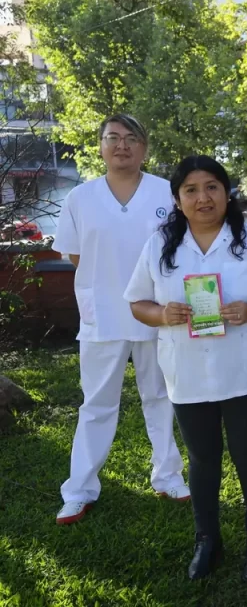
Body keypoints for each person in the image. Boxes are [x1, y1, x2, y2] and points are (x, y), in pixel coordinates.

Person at [124, 156, 247, 581]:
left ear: (227, 192)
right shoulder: (160, 245)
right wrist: (163, 314)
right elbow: (138, 302)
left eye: (212, 187)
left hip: (245, 368)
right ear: (178, 200)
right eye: (191, 190)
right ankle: (208, 541)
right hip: (186, 368)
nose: (203, 198)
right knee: (202, 457)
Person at [52, 114, 189, 525]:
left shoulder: (167, 192)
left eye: (131, 139)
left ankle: (167, 475)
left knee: (161, 397)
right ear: (100, 146)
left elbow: (180, 251)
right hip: (102, 315)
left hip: (154, 312)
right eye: (113, 138)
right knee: (95, 404)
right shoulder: (81, 197)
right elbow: (77, 256)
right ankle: (79, 490)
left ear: (144, 148)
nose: (122, 145)